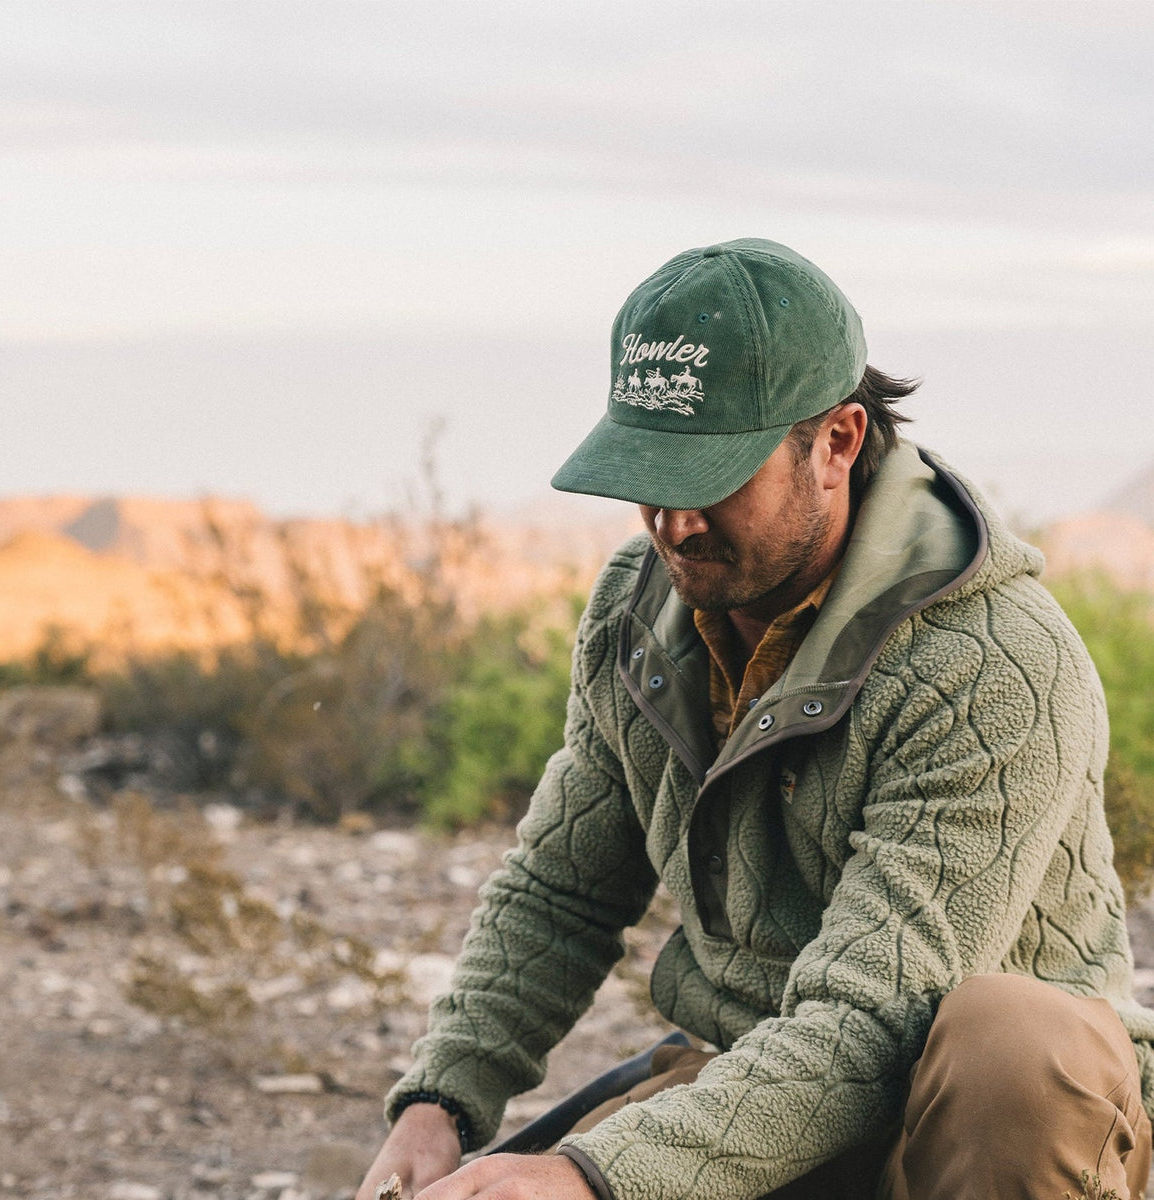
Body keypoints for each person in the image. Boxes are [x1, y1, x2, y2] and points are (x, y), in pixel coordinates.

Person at [357, 239, 1154, 1200]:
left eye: (710, 481)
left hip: (980, 1126)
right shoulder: (634, 612)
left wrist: (590, 1175)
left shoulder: (990, 662)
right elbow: (562, 891)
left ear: (838, 443)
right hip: (753, 1091)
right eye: (649, 474)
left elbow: (872, 1022)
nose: (672, 523)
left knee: (1012, 1045)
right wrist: (441, 1102)